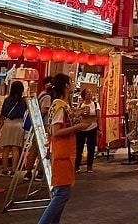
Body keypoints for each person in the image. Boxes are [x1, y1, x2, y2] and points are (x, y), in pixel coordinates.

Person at [38, 74, 89, 224]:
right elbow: (56, 131)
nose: (73, 85)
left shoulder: (61, 104)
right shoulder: (59, 105)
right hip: (62, 152)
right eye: (71, 82)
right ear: (66, 85)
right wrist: (78, 126)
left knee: (62, 193)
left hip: (64, 151)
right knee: (62, 193)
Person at [24, 76, 52, 182]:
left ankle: (28, 172)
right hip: (43, 126)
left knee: (34, 149)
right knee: (42, 149)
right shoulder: (47, 96)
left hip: (38, 125)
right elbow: (44, 110)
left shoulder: (41, 94)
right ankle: (40, 172)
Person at [0, 80, 27, 177]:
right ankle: (13, 171)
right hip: (19, 123)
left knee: (6, 148)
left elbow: (3, 114)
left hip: (8, 123)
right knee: (16, 148)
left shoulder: (7, 100)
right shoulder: (24, 101)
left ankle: (4, 169)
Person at [75, 87, 101, 173]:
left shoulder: (96, 104)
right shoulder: (80, 105)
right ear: (83, 95)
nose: (89, 94)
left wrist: (100, 128)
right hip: (81, 129)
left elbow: (99, 117)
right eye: (87, 93)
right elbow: (77, 116)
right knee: (79, 148)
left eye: (90, 93)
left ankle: (89, 166)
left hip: (92, 127)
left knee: (91, 147)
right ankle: (77, 165)